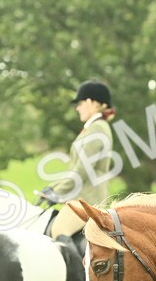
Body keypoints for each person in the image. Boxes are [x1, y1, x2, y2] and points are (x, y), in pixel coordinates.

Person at [43, 80, 117, 239]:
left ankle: (78, 265)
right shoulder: (92, 128)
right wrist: (52, 188)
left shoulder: (97, 128)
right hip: (81, 197)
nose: (77, 108)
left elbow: (82, 170)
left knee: (59, 231)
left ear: (93, 103)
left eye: (81, 103)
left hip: (89, 200)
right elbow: (75, 168)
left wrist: (57, 192)